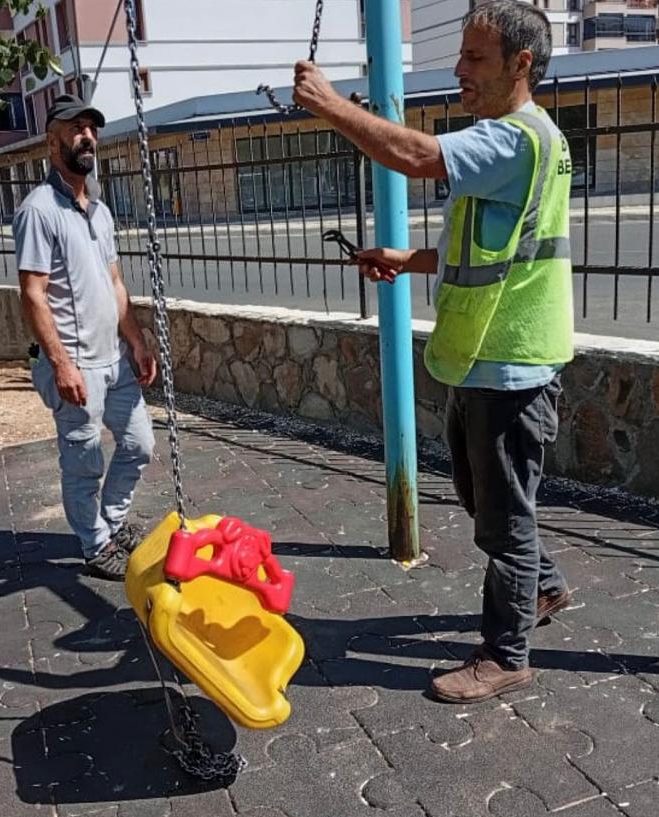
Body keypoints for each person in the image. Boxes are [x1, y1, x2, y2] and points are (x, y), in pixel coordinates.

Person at [293, 0, 573, 703]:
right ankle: (540, 586)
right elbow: (483, 244)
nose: (458, 70)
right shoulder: (516, 138)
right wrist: (410, 258)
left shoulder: (517, 138)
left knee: (503, 519)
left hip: (510, 363)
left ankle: (506, 653)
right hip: (488, 358)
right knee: (487, 498)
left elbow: (417, 155)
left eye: (474, 58)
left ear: (521, 65)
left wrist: (331, 106)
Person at [14, 94, 157, 582]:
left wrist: (136, 341)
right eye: (76, 129)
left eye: (91, 128)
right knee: (84, 463)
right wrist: (60, 364)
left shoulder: (99, 212)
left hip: (114, 360)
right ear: (53, 141)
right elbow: (33, 294)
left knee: (139, 444)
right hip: (74, 364)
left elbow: (115, 284)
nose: (87, 136)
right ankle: (96, 546)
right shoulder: (39, 210)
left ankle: (109, 524)